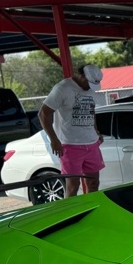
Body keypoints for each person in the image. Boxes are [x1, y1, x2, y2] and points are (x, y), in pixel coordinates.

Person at [39, 64, 105, 199]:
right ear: (81, 76)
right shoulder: (62, 89)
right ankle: (72, 215)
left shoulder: (90, 90)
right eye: (89, 83)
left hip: (91, 143)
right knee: (73, 186)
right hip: (70, 145)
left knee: (93, 183)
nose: (90, 87)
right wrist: (54, 140)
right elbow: (43, 114)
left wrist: (96, 131)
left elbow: (90, 111)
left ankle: (90, 211)